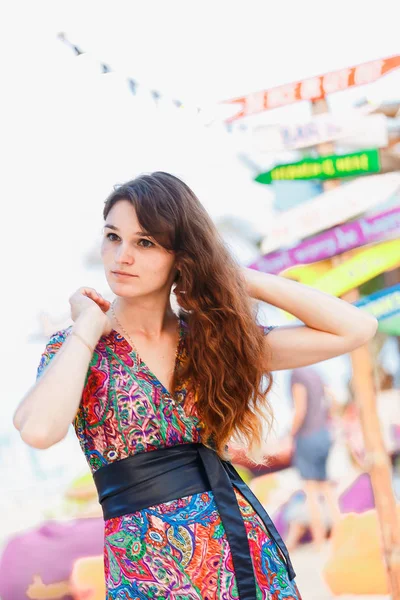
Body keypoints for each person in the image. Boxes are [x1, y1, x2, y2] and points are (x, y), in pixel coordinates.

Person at [14, 172, 378, 599]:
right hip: (148, 567)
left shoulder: (211, 342)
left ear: (181, 255)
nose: (122, 256)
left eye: (144, 242)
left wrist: (238, 276)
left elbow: (355, 328)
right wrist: (88, 326)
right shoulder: (79, 347)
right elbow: (39, 430)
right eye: (113, 237)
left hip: (241, 549)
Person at [286, 367, 341, 552]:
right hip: (324, 433)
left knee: (310, 491)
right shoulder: (316, 373)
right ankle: (340, 536)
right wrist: (326, 418)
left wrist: (289, 435)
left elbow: (300, 410)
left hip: (307, 435)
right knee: (326, 488)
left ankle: (319, 541)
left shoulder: (296, 374)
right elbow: (333, 399)